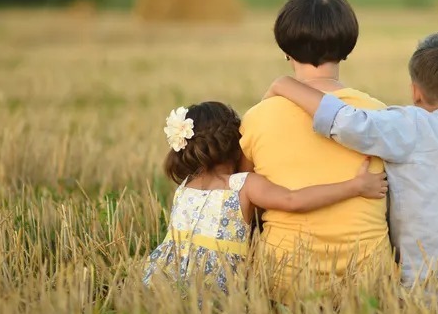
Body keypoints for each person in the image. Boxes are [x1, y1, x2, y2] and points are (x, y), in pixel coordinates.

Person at [265, 32, 438, 301]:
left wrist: (283, 84)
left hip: (430, 293)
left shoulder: (407, 125)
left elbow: (345, 122)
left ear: (415, 91)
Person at [240, 0, 392, 300]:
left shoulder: (257, 118)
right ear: (348, 46)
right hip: (370, 285)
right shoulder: (379, 114)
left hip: (283, 281)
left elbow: (243, 198)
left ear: (286, 47)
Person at [142, 101, 387, 294]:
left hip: (161, 278)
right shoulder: (242, 185)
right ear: (236, 144)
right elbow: (293, 200)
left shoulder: (184, 187)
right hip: (210, 288)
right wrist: (355, 186)